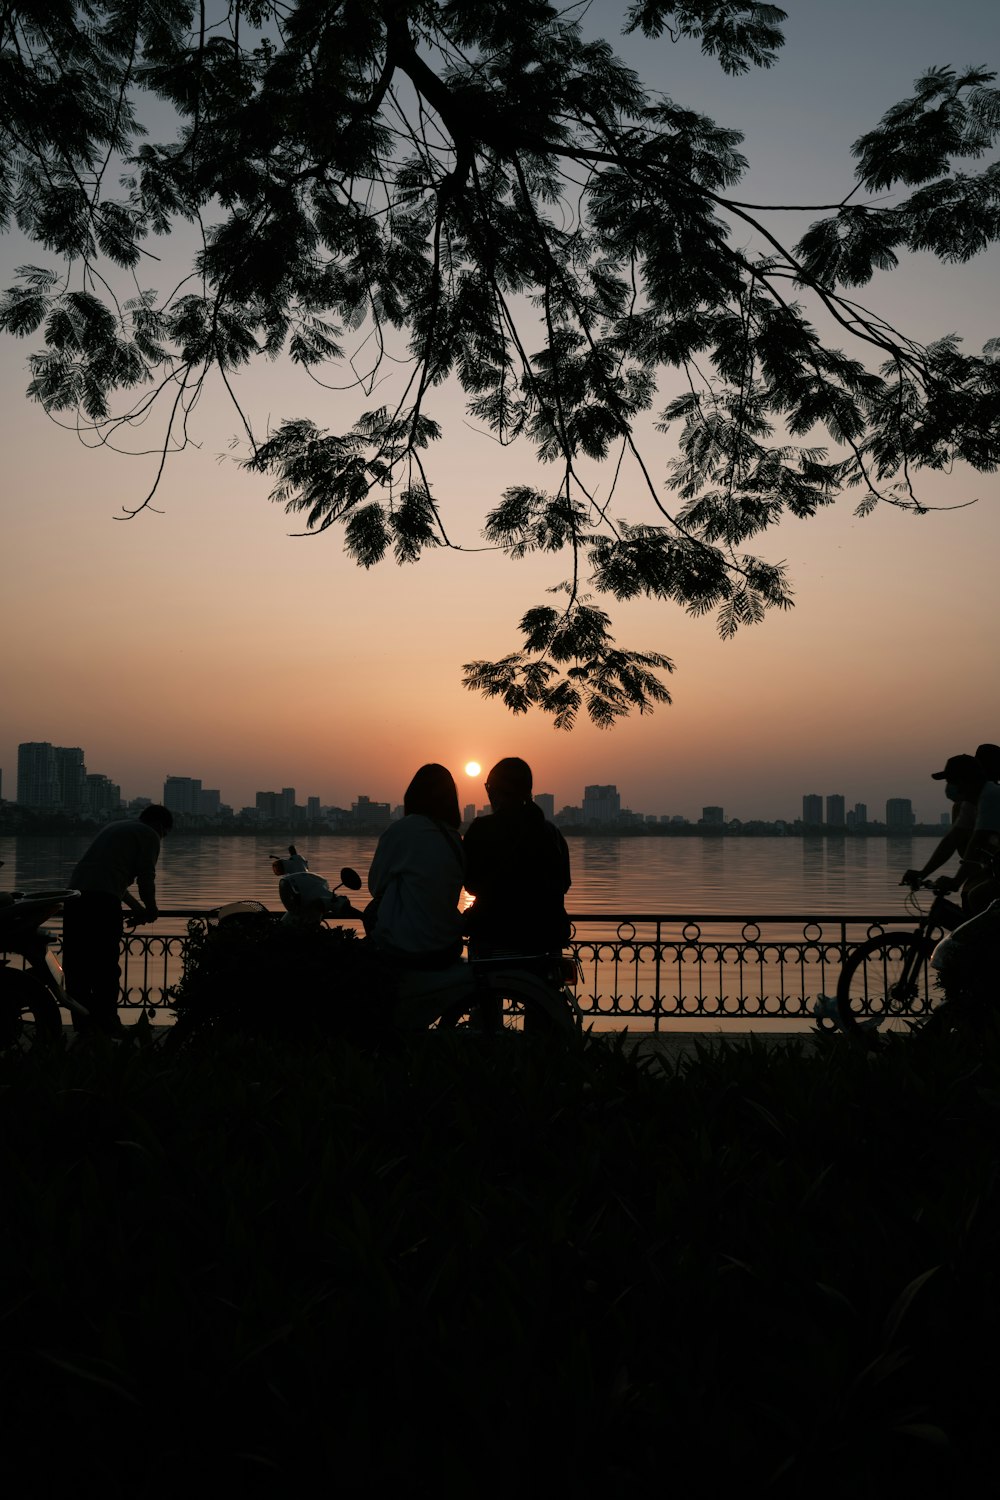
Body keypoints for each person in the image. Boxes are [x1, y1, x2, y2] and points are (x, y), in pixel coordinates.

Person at [62, 804, 173, 1037]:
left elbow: (112, 878)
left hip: (74, 899)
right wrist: (151, 909)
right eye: (164, 834)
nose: (161, 839)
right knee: (106, 967)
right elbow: (146, 877)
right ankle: (108, 1022)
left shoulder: (117, 827)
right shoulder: (149, 834)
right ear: (160, 826)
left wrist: (138, 909)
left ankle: (84, 1026)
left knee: (77, 967)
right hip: (101, 904)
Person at [463, 757, 571, 957]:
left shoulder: (482, 829)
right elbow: (563, 884)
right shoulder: (552, 833)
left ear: (496, 791)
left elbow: (471, 884)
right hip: (545, 942)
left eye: (489, 787)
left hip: (493, 940)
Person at [366, 764, 466, 968]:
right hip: (447, 943)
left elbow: (375, 886)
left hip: (405, 945)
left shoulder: (400, 831)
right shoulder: (454, 837)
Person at [902, 743, 1000, 891]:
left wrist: (956, 881)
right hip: (989, 868)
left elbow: (977, 842)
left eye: (950, 781)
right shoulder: (970, 804)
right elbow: (952, 840)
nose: (949, 786)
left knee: (978, 895)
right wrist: (923, 873)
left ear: (962, 781)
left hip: (992, 869)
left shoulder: (991, 797)